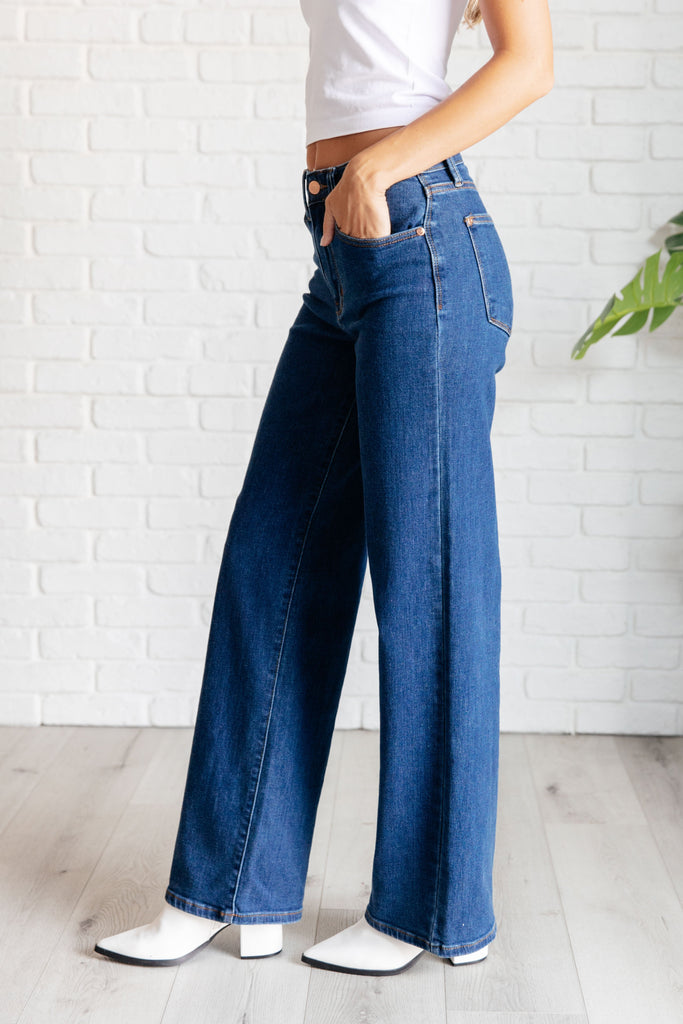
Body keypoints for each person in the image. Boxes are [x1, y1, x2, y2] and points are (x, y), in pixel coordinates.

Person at [94, 0, 553, 977]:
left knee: (428, 592)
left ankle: (429, 912)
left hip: (422, 240)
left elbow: (528, 62)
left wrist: (378, 169)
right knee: (273, 560)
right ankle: (228, 891)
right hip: (346, 252)